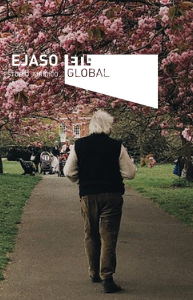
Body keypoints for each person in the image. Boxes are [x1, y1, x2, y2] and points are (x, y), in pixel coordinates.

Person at [63, 111, 135, 293]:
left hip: (88, 195)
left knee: (91, 234)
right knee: (108, 235)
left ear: (92, 126)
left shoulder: (79, 145)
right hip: (112, 195)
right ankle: (107, 277)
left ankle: (93, 272)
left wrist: (83, 181)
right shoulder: (116, 146)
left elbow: (68, 172)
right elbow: (130, 173)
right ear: (108, 126)